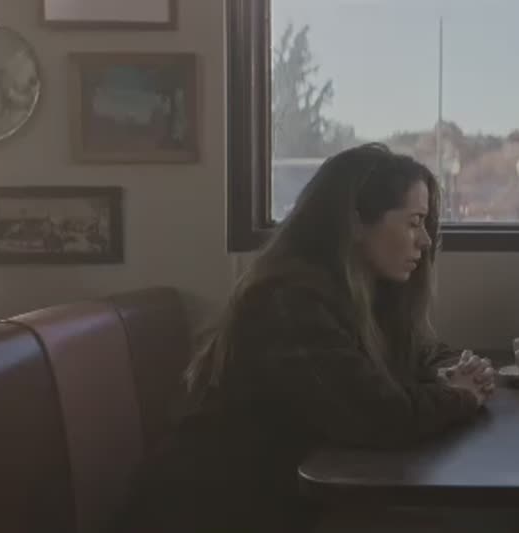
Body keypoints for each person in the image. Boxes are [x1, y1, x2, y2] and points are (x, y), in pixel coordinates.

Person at [115, 144, 496, 533]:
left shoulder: (368, 296)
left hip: (276, 501)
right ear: (356, 223)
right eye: (414, 222)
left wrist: (458, 368)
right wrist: (459, 394)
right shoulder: (288, 302)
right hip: (211, 510)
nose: (426, 240)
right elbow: (379, 417)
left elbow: (422, 352)